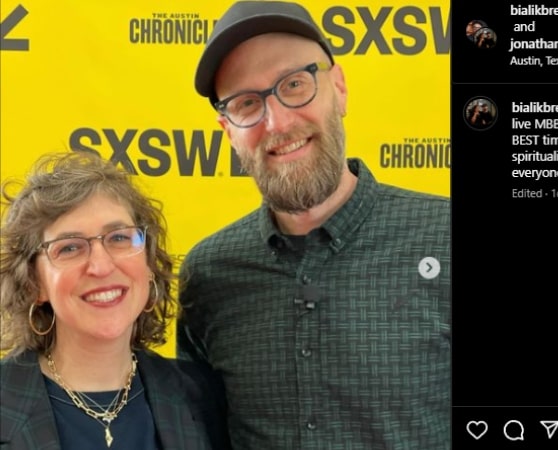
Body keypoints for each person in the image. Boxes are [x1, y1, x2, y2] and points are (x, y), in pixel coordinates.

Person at [177, 1, 451, 449]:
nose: (278, 122)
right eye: (247, 103)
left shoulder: (443, 237)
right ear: (227, 129)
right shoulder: (209, 274)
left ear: (339, 88)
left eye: (295, 84)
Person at [0, 151, 229, 450]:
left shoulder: (201, 395)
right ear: (34, 283)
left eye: (119, 238)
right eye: (69, 248)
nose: (101, 266)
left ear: (148, 263)